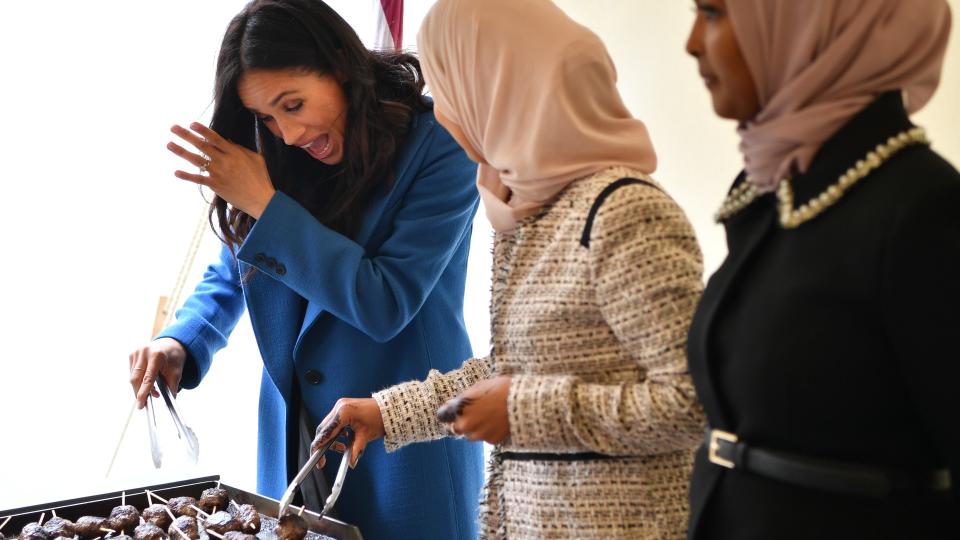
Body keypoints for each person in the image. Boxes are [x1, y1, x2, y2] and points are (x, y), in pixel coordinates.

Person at [310, 0, 706, 538]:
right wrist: (387, 413)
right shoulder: (526, 213)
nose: (444, 117)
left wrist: (523, 411)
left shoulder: (626, 213)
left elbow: (693, 404)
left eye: (448, 91)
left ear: (497, 89)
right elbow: (516, 369)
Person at [126, 0, 484, 538]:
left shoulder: (444, 146)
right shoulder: (281, 153)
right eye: (267, 117)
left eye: (292, 105)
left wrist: (267, 205)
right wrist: (183, 340)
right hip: (292, 444)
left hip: (403, 451)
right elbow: (238, 264)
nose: (286, 133)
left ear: (340, 63)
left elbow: (385, 302)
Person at [684, 0, 959, 538]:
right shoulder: (770, 191)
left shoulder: (922, 210)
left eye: (714, 13)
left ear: (808, 24)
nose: (693, 42)